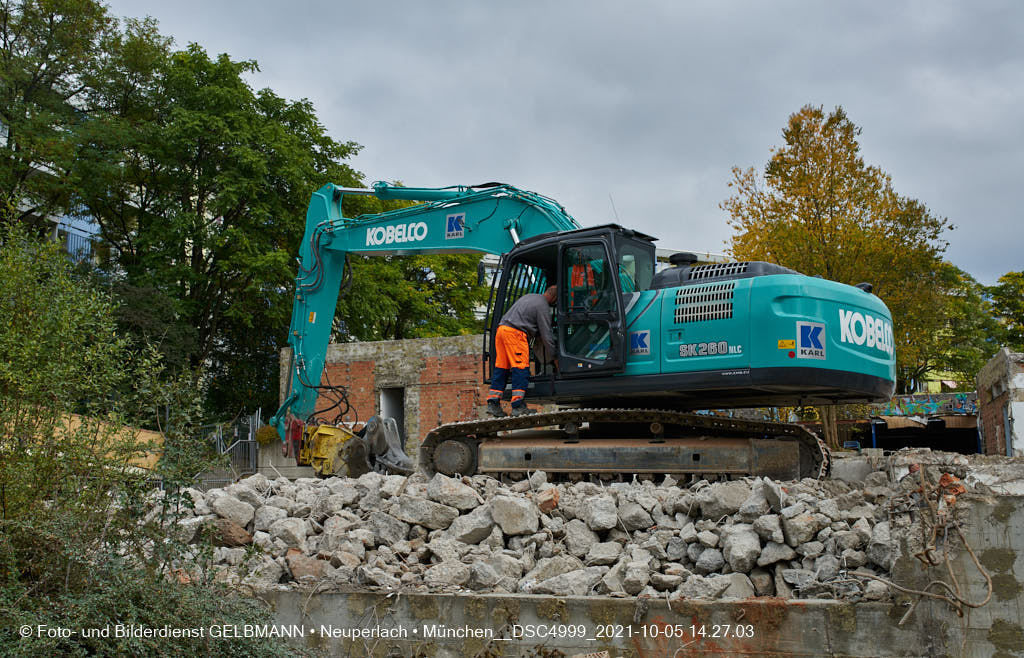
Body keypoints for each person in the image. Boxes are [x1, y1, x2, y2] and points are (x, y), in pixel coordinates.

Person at [486, 285, 557, 417]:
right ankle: (518, 406)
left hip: (501, 331)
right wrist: (554, 355)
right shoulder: (543, 306)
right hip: (515, 334)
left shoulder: (529, 297)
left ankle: (493, 403)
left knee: (502, 368)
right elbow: (546, 334)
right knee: (521, 368)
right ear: (555, 298)